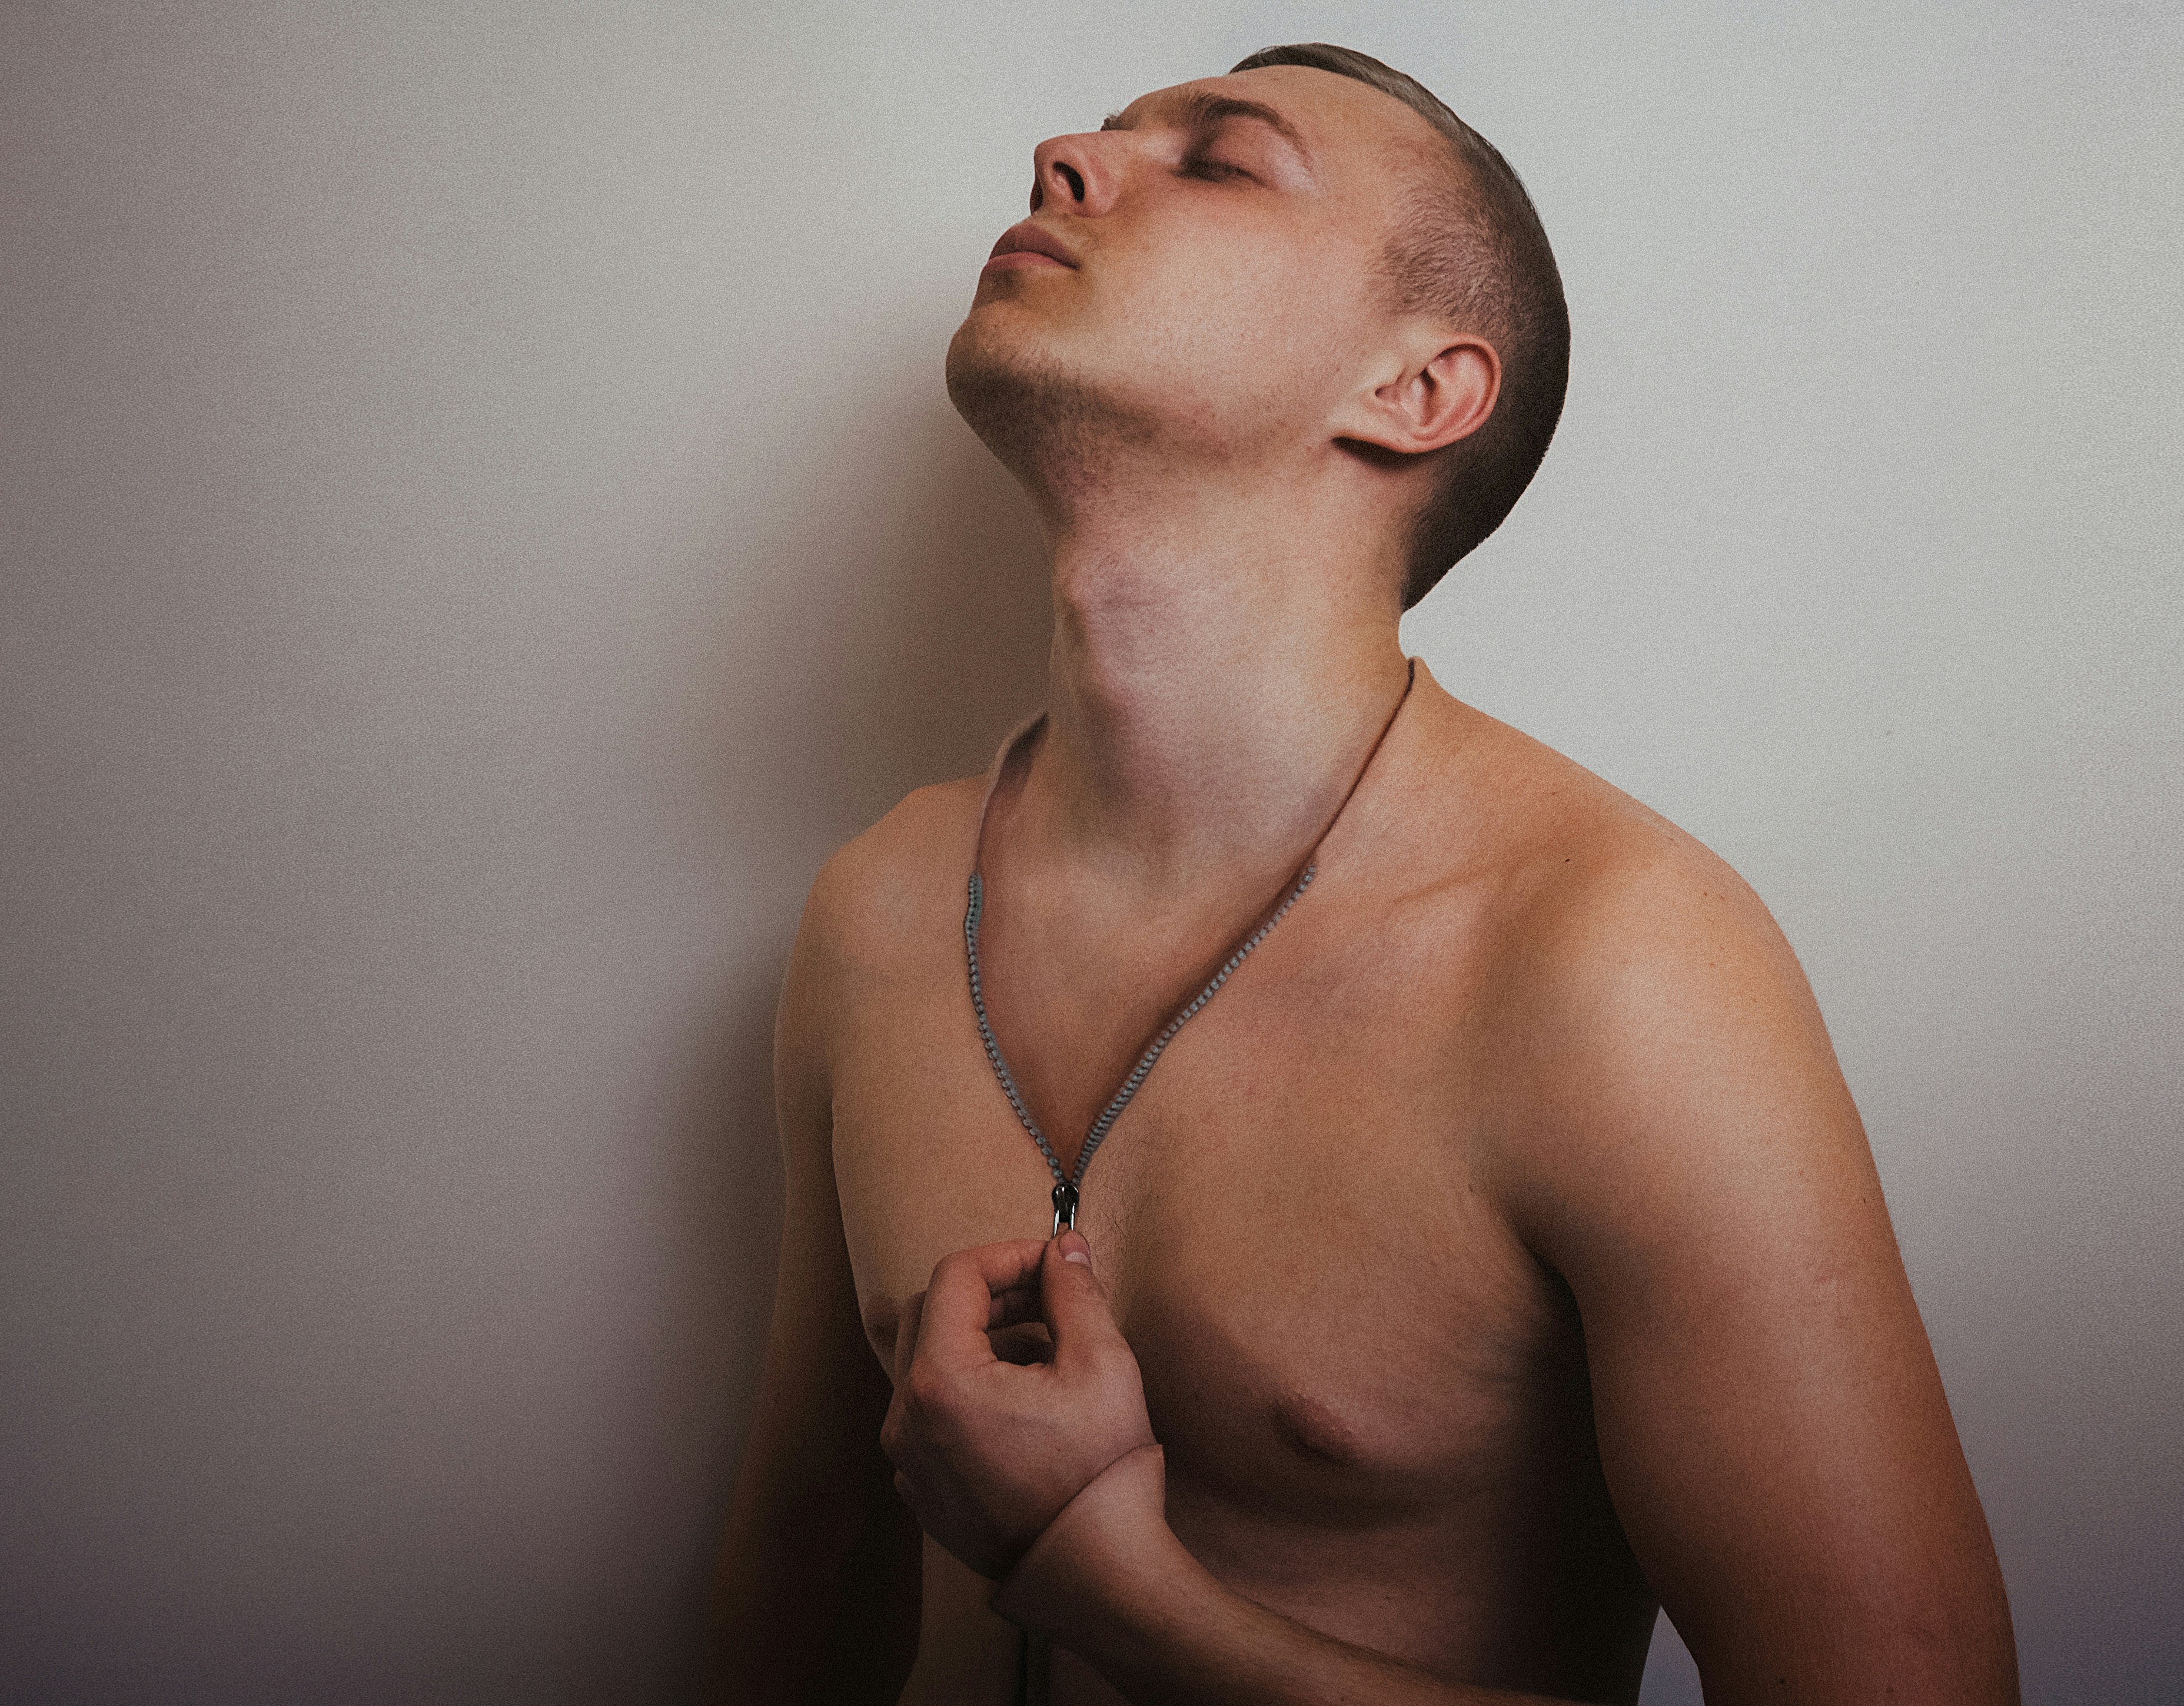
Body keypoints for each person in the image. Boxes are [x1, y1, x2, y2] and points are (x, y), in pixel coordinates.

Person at [700, 42, 2018, 1706]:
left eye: (1222, 159)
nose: (1063, 156)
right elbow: (804, 1572)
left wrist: (1112, 1586)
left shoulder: (1608, 964)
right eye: (1107, 134)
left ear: (1414, 389)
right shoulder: (882, 912)